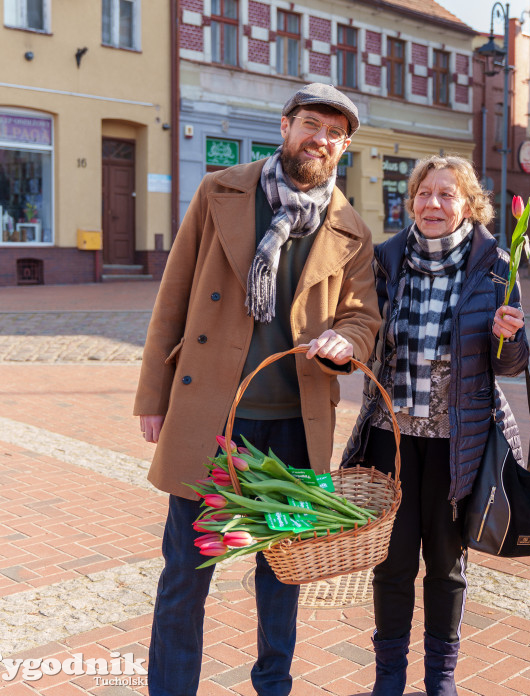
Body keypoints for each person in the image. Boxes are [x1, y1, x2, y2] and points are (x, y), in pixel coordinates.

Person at [133, 83, 381, 696]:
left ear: (344, 147)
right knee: (187, 572)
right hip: (214, 418)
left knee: (282, 573)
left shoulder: (349, 228)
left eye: (334, 133)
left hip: (295, 425)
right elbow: (173, 297)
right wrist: (152, 396)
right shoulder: (221, 191)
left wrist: (348, 342)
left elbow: (362, 316)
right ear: (285, 125)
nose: (319, 139)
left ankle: (273, 685)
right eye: (310, 124)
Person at [341, 155, 529, 696]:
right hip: (390, 442)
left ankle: (440, 680)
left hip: (457, 444)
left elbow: (511, 364)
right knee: (391, 564)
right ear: (411, 201)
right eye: (424, 193)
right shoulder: (386, 260)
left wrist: (509, 336)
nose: (433, 204)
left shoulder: (496, 265)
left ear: (468, 205)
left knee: (446, 567)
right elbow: (361, 330)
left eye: (447, 195)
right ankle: (388, 678)